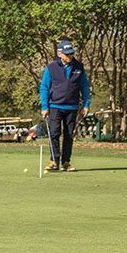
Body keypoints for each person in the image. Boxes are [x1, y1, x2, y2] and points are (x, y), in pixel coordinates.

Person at [39, 39, 91, 172]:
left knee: (68, 135)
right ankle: (54, 161)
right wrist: (45, 107)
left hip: (72, 107)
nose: (70, 56)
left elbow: (84, 86)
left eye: (71, 54)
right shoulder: (51, 68)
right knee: (54, 133)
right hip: (55, 106)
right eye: (67, 54)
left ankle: (66, 162)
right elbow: (44, 87)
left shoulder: (79, 67)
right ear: (59, 54)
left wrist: (86, 104)